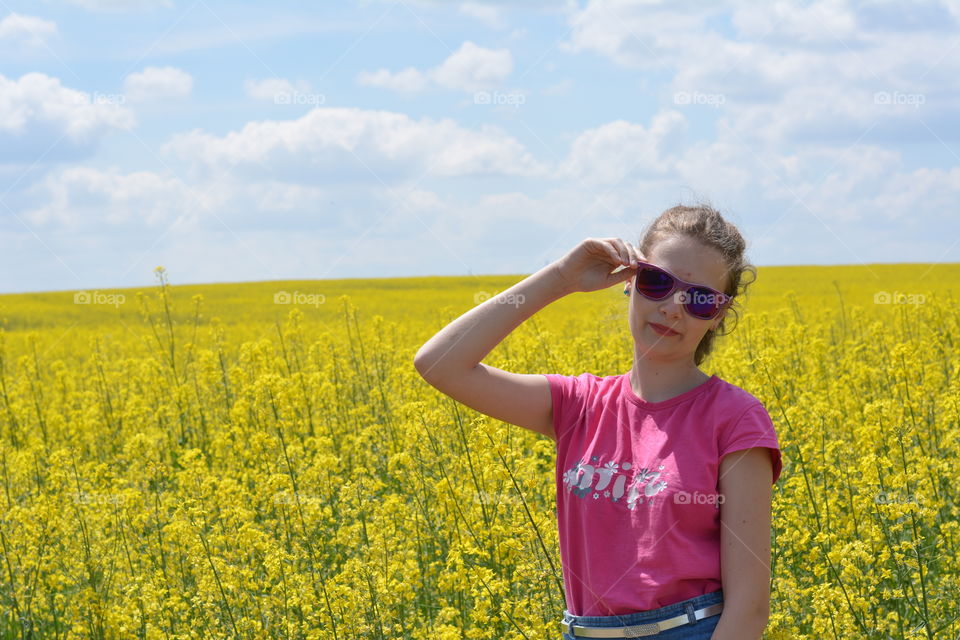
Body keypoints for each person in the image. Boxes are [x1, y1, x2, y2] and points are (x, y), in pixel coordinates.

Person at [414, 203, 783, 640]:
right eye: (657, 282)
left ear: (719, 314)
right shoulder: (580, 404)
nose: (671, 307)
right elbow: (439, 364)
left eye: (700, 299)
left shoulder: (735, 418)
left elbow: (749, 607)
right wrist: (561, 279)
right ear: (631, 283)